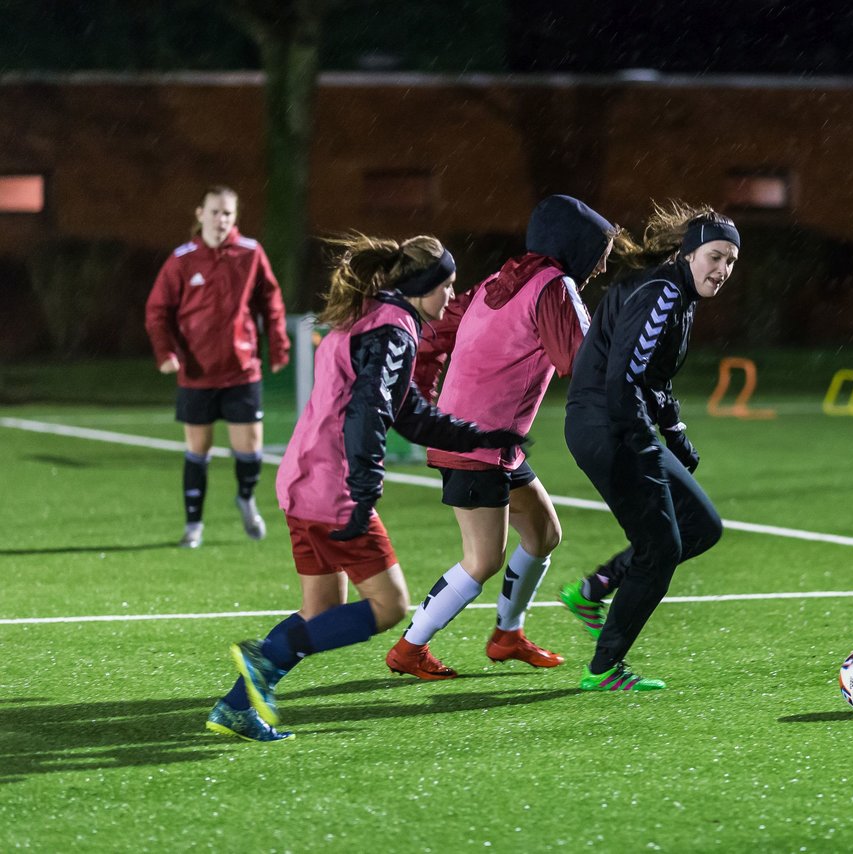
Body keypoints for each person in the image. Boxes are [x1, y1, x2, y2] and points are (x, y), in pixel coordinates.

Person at [206, 233, 524, 742]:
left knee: (321, 612)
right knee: (389, 606)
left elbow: (410, 415)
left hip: (300, 480)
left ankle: (236, 707)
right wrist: (366, 484)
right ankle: (264, 657)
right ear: (423, 285)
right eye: (447, 285)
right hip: (333, 488)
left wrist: (480, 436)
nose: (451, 296)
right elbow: (369, 411)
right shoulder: (395, 331)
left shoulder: (373, 315)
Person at [385, 195, 617, 680]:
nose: (601, 266)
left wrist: (423, 397)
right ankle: (409, 648)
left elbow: (435, 336)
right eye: (601, 253)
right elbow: (583, 361)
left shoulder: (501, 278)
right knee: (482, 560)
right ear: (576, 247)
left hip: (492, 442)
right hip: (477, 446)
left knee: (544, 533)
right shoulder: (555, 286)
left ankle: (507, 635)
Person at [558, 202, 739, 691]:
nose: (722, 270)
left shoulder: (676, 292)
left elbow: (651, 378)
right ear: (688, 252)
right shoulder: (662, 291)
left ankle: (594, 589)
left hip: (619, 424)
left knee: (701, 526)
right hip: (607, 427)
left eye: (730, 262)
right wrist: (644, 446)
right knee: (661, 549)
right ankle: (603, 669)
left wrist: (675, 434)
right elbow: (624, 380)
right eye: (715, 257)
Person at [144, 185, 290, 549]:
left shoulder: (251, 253)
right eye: (215, 212)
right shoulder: (182, 259)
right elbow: (157, 310)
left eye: (228, 213)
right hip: (197, 372)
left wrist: (278, 344)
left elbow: (271, 302)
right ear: (200, 214)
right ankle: (193, 526)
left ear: (235, 217)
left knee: (250, 449)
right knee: (199, 450)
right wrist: (166, 352)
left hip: (242, 369)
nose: (221, 219)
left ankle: (245, 497)